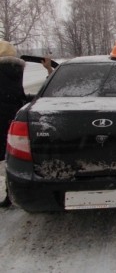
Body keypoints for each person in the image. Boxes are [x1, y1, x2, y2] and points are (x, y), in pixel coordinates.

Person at [0, 40, 53, 207]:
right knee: (14, 157)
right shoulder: (15, 71)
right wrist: (50, 71)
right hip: (13, 117)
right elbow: (20, 96)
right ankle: (11, 194)